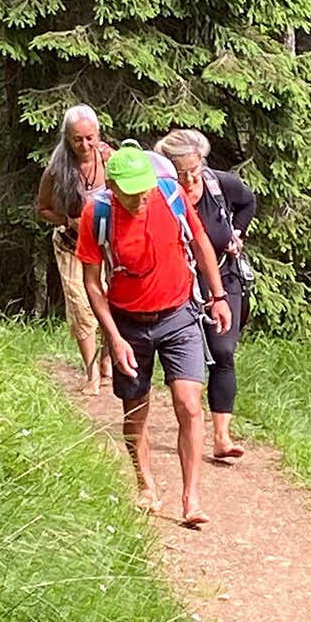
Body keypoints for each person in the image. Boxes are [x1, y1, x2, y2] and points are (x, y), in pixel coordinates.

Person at [76, 142, 232, 526]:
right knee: (135, 409)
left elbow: (200, 242)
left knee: (189, 405)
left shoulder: (170, 194)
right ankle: (145, 485)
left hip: (179, 315)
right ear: (113, 187)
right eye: (132, 193)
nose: (142, 198)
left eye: (145, 189)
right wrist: (114, 338)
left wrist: (218, 296)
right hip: (128, 323)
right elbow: (92, 284)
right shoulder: (97, 214)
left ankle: (191, 499)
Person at [155, 129, 256, 460]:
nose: (188, 179)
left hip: (224, 277)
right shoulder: (161, 193)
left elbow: (248, 203)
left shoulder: (220, 185)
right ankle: (191, 421)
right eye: (180, 172)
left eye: (193, 170)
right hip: (180, 282)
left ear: (202, 161)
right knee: (192, 357)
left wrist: (237, 232)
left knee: (223, 351)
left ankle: (222, 436)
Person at [36, 105, 114, 394]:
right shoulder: (57, 169)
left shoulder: (110, 160)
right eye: (77, 139)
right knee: (81, 306)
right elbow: (42, 208)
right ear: (67, 138)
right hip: (71, 244)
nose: (84, 145)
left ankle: (107, 360)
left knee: (110, 299)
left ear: (98, 134)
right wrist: (68, 220)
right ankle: (91, 374)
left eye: (90, 138)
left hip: (107, 245)